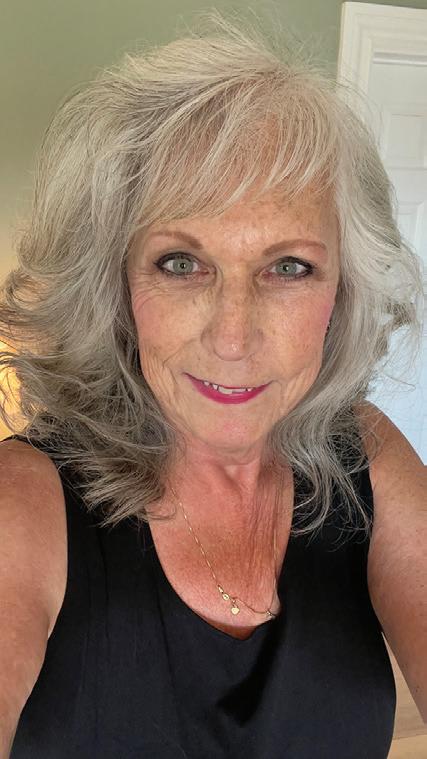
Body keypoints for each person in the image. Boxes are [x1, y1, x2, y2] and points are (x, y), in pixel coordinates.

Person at [0, 9, 425, 759]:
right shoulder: (25, 502)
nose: (233, 338)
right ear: (117, 287)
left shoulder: (366, 452)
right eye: (181, 263)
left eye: (288, 266)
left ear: (343, 291)